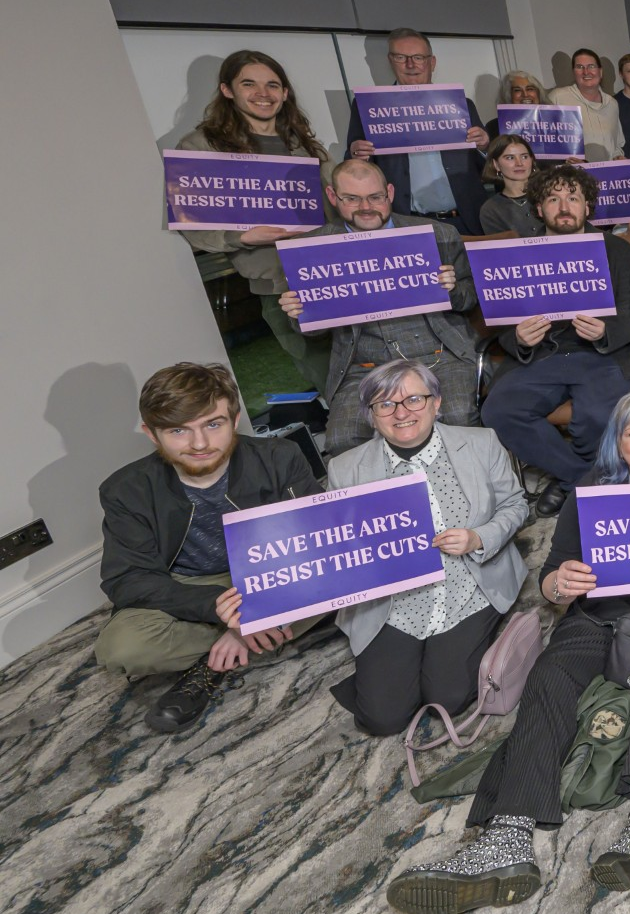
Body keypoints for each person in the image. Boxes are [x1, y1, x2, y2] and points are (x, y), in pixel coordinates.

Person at [385, 391, 630, 914]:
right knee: (550, 678)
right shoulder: (595, 489)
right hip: (600, 613)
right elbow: (552, 577)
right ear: (617, 444)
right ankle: (508, 838)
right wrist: (561, 584)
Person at [96, 363, 326, 733]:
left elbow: (317, 544)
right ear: (151, 434)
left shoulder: (280, 456)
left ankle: (214, 662)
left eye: (213, 424)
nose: (200, 444)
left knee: (357, 582)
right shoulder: (125, 489)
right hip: (190, 588)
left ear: (234, 420)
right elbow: (128, 578)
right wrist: (218, 609)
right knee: (120, 649)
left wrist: (243, 623)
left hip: (273, 573)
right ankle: (269, 633)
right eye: (178, 430)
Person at [327, 360, 530, 735]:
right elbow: (340, 546)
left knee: (447, 699)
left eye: (414, 400)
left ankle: (456, 654)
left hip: (469, 584)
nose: (401, 413)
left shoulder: (481, 443)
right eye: (384, 405)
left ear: (436, 402)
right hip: (394, 601)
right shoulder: (345, 470)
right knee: (382, 719)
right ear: (371, 417)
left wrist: (478, 537)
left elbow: (516, 504)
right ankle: (396, 677)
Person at [481, 164, 630, 513]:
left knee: (601, 416)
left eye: (573, 198)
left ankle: (571, 484)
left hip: (603, 356)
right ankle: (585, 480)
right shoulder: (517, 257)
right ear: (538, 208)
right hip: (542, 356)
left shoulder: (617, 250)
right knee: (499, 410)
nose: (564, 207)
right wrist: (518, 337)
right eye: (553, 199)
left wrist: (607, 330)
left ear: (587, 207)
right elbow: (501, 320)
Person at [277, 160, 478, 452]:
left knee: (458, 423)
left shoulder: (437, 234)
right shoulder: (312, 249)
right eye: (352, 199)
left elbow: (471, 298)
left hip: (439, 355)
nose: (366, 206)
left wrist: (453, 289)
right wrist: (299, 313)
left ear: (391, 193)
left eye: (375, 197)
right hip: (364, 366)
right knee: (343, 442)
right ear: (333, 197)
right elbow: (311, 332)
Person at [173, 49, 335, 390]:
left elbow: (340, 197)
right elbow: (192, 224)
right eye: (249, 83)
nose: (263, 93)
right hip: (280, 288)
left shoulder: (303, 142)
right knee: (332, 380)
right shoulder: (201, 146)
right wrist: (243, 237)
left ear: (285, 93)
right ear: (227, 90)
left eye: (273, 85)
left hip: (336, 271)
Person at [346, 28, 490, 233]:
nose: (410, 64)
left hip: (468, 221)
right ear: (390, 60)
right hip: (409, 224)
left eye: (418, 57)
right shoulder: (369, 107)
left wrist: (484, 146)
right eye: (401, 57)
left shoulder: (461, 105)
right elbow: (354, 168)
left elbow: (490, 165)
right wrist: (357, 156)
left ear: (432, 62)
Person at [546, 49, 624, 162]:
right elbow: (547, 142)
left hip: (608, 176)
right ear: (573, 72)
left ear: (600, 72)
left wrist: (618, 157)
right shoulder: (558, 98)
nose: (586, 72)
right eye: (579, 67)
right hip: (574, 176)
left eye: (591, 66)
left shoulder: (612, 104)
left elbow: (616, 145)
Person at [478, 133, 541, 237]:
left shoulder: (549, 195)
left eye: (524, 157)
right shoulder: (491, 209)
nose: (519, 163)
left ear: (532, 160)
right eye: (510, 158)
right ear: (496, 164)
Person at [484, 70, 547, 142]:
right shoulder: (494, 127)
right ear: (508, 96)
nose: (525, 95)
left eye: (530, 89)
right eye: (517, 90)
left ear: (538, 93)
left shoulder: (555, 121)